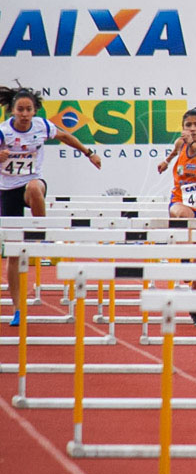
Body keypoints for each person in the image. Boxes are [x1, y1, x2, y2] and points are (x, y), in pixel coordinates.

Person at [0, 86, 102, 327]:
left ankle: (42, 236)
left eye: (28, 109)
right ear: (11, 111)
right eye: (20, 109)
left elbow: (67, 137)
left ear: (35, 110)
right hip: (7, 191)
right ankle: (17, 308)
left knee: (35, 188)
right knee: (13, 255)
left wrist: (89, 153)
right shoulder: (3, 132)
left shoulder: (42, 126)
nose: (24, 114)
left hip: (31, 184)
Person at [157, 106, 196, 327]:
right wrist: (166, 162)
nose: (192, 129)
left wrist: (193, 144)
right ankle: (185, 255)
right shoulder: (179, 143)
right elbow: (174, 153)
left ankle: (194, 306)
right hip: (181, 200)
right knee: (183, 213)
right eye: (188, 125)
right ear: (182, 128)